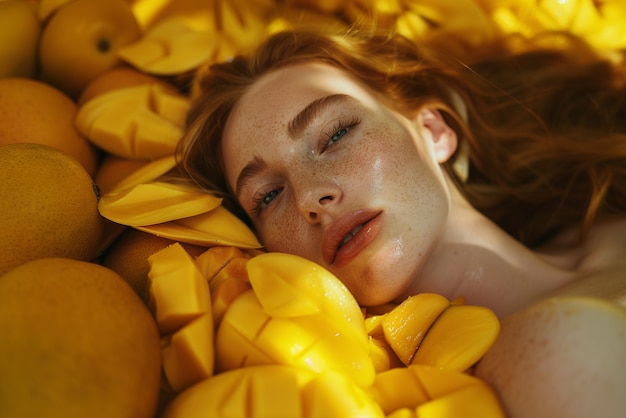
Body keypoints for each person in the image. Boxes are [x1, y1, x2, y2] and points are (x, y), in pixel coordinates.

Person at [176, 26, 626, 417]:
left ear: (432, 131)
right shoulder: (555, 359)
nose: (311, 198)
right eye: (269, 196)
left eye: (336, 134)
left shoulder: (609, 214)